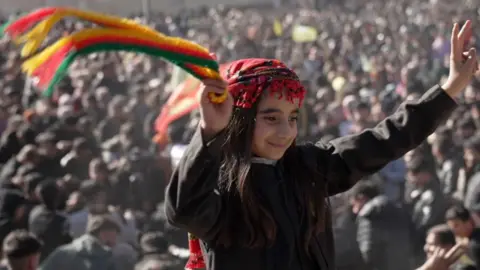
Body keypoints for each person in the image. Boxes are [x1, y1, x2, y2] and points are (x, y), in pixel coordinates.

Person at [165, 21, 478, 270]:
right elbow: (183, 210)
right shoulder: (222, 187)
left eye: (292, 117)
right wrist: (210, 131)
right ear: (240, 119)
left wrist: (449, 89)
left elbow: (385, 140)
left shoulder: (308, 167)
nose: (286, 131)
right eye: (271, 118)